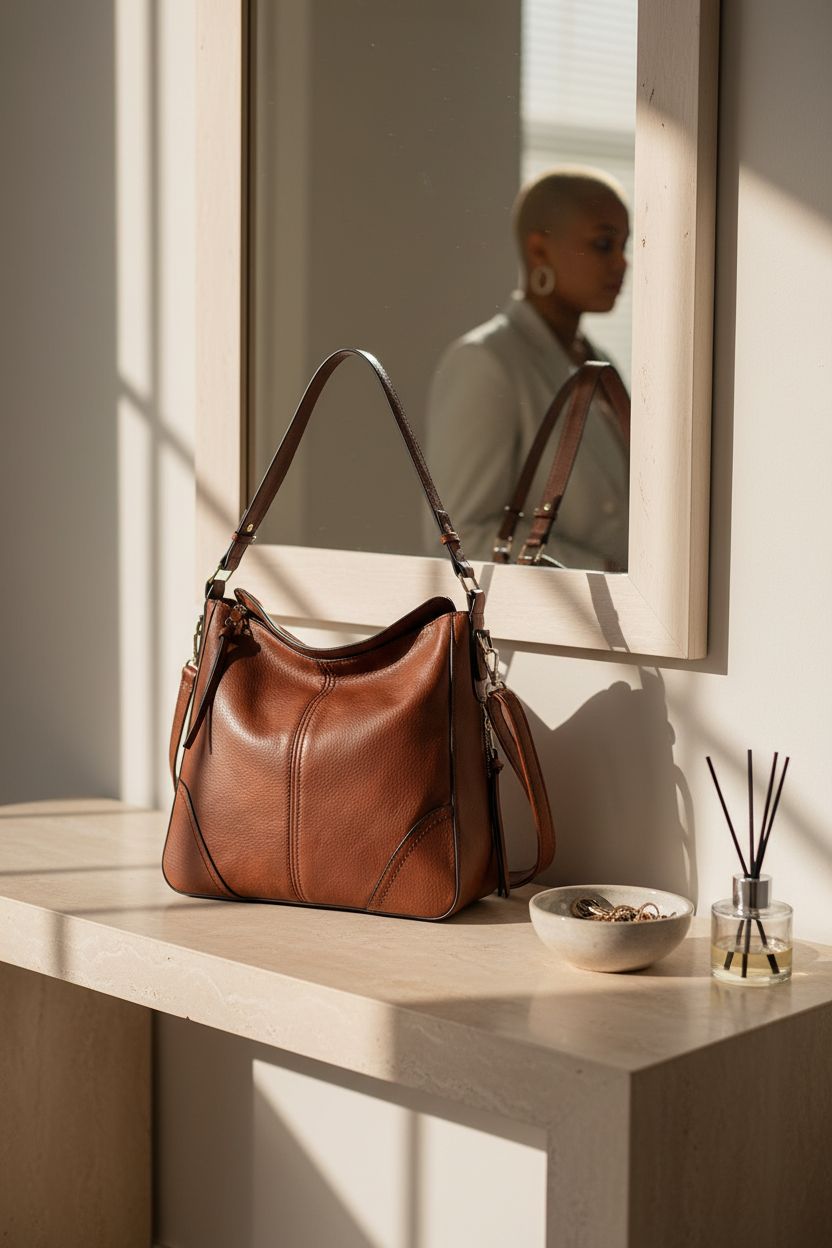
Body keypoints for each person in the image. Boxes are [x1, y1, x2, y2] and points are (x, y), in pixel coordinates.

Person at [424, 165, 630, 569]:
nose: (623, 264)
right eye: (604, 244)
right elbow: (461, 540)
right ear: (539, 250)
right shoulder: (485, 362)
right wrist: (606, 574)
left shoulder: (600, 365)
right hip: (546, 627)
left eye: (625, 246)